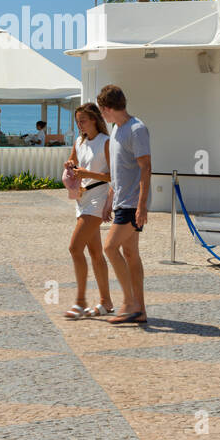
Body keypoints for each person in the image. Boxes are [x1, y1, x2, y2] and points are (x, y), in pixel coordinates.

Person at [97, 84, 150, 325]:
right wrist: (109, 200)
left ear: (107, 108)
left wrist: (142, 206)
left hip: (131, 204)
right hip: (120, 202)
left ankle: (129, 303)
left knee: (109, 248)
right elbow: (117, 172)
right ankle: (139, 310)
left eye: (102, 111)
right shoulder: (117, 130)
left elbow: (146, 168)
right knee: (130, 254)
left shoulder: (136, 129)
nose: (102, 116)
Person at [62, 103, 115, 320]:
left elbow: (113, 175)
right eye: (77, 121)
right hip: (82, 198)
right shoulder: (79, 141)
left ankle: (81, 302)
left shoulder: (106, 142)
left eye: (83, 120)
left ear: (94, 119)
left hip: (98, 199)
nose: (80, 124)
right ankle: (106, 302)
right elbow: (74, 164)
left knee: (75, 248)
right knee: (94, 253)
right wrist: (70, 166)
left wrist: (88, 172)